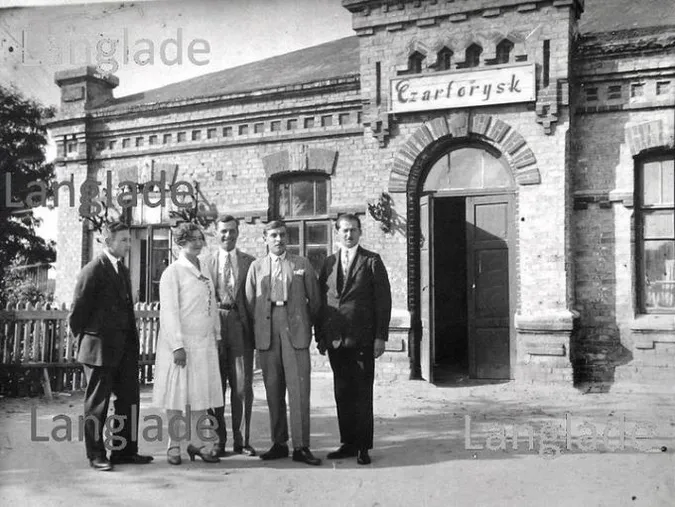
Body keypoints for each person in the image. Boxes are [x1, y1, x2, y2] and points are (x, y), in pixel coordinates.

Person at [69, 221, 154, 471]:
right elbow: (77, 313)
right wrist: (85, 343)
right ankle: (96, 455)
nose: (129, 245)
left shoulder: (122, 269)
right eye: (124, 240)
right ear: (108, 242)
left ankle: (125, 451)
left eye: (129, 239)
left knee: (129, 399)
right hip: (99, 350)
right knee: (98, 404)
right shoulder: (93, 270)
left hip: (125, 349)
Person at [244, 220, 322, 466]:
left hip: (295, 328)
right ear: (265, 238)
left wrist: (306, 325)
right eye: (273, 235)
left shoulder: (301, 264)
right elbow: (249, 303)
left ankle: (301, 446)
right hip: (268, 330)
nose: (278, 239)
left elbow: (316, 301)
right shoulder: (256, 267)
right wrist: (261, 327)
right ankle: (279, 443)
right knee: (273, 389)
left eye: (282, 235)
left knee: (299, 391)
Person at [317, 214, 392, 465]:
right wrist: (321, 337)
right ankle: (347, 443)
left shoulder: (371, 261)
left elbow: (383, 303)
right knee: (342, 392)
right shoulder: (328, 263)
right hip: (336, 341)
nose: (349, 235)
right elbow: (322, 303)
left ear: (360, 232)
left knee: (362, 393)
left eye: (353, 230)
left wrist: (380, 337)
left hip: (362, 340)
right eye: (345, 231)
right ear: (337, 233)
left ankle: (363, 446)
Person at [152, 222, 223, 465]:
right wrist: (177, 346)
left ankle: (201, 444)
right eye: (190, 238)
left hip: (204, 344)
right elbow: (169, 313)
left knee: (201, 396)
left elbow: (211, 305)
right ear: (180, 242)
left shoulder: (204, 268)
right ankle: (174, 447)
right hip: (180, 346)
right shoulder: (172, 272)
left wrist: (217, 334)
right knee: (177, 398)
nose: (197, 242)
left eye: (199, 237)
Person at [205, 215, 257, 457]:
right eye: (223, 231)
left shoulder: (250, 263)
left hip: (240, 325)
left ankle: (241, 440)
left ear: (239, 233)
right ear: (216, 233)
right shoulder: (205, 263)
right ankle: (218, 441)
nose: (228, 236)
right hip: (214, 326)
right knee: (215, 386)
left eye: (232, 231)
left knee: (242, 386)